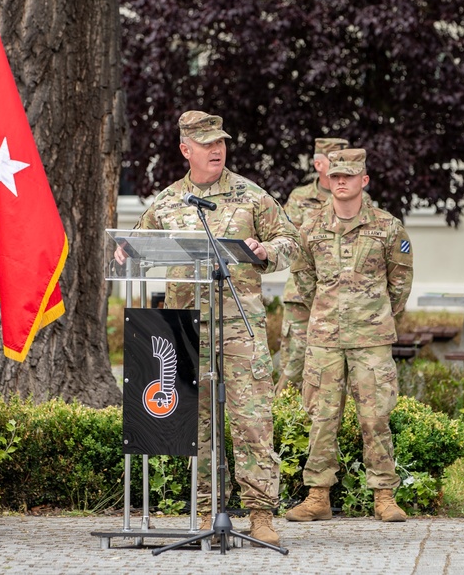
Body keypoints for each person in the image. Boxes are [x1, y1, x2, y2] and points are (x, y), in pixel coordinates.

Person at [131, 110, 300, 546]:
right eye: (206, 144)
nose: (217, 150)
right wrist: (123, 253)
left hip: (240, 327)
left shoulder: (250, 195)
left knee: (252, 421)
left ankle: (261, 514)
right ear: (186, 150)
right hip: (186, 330)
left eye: (221, 142)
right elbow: (135, 244)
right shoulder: (168, 202)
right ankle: (206, 509)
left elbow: (290, 243)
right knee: (199, 425)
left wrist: (266, 251)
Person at [283, 148, 413, 523]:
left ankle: (384, 495)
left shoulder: (388, 227)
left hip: (371, 339)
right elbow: (304, 279)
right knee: (322, 418)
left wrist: (374, 314)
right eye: (335, 175)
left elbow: (400, 282)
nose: (340, 181)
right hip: (324, 338)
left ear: (363, 181)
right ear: (328, 179)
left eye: (349, 176)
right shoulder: (310, 229)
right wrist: (327, 311)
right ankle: (318, 495)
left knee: (375, 417)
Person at [276, 136, 349, 393]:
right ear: (319, 165)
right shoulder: (300, 198)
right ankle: (286, 423)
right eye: (336, 162)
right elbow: (287, 240)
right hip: (301, 295)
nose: (343, 168)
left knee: (339, 367)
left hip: (342, 295)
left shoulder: (358, 198)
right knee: (294, 363)